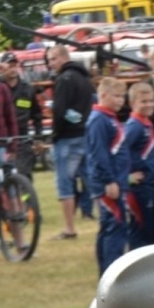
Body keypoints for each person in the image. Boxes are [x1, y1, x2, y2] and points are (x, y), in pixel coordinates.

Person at [85, 76, 131, 273]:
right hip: (108, 183)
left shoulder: (109, 117)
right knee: (114, 225)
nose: (121, 100)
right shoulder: (99, 120)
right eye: (116, 96)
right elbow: (99, 153)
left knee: (111, 225)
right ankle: (112, 270)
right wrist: (109, 180)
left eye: (123, 96)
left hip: (117, 180)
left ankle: (107, 270)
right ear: (103, 95)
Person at [48, 43, 94, 237]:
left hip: (67, 137)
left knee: (65, 184)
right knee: (92, 181)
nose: (51, 64)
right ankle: (109, 218)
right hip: (86, 134)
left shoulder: (64, 79)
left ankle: (69, 228)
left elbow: (59, 111)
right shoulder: (85, 77)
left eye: (53, 59)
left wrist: (55, 134)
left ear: (63, 57)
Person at [124, 80, 154, 248]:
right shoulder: (134, 126)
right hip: (141, 188)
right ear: (132, 103)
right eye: (144, 101)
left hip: (152, 184)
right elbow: (120, 152)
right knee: (143, 231)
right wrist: (127, 176)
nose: (149, 104)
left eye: (151, 100)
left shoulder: (146, 123)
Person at [0, 52, 42, 178]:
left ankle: (25, 190)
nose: (12, 69)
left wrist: (38, 138)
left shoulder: (27, 89)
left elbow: (37, 115)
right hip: (1, 139)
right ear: (2, 67)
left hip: (22, 138)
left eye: (14, 65)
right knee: (4, 176)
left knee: (24, 175)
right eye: (9, 66)